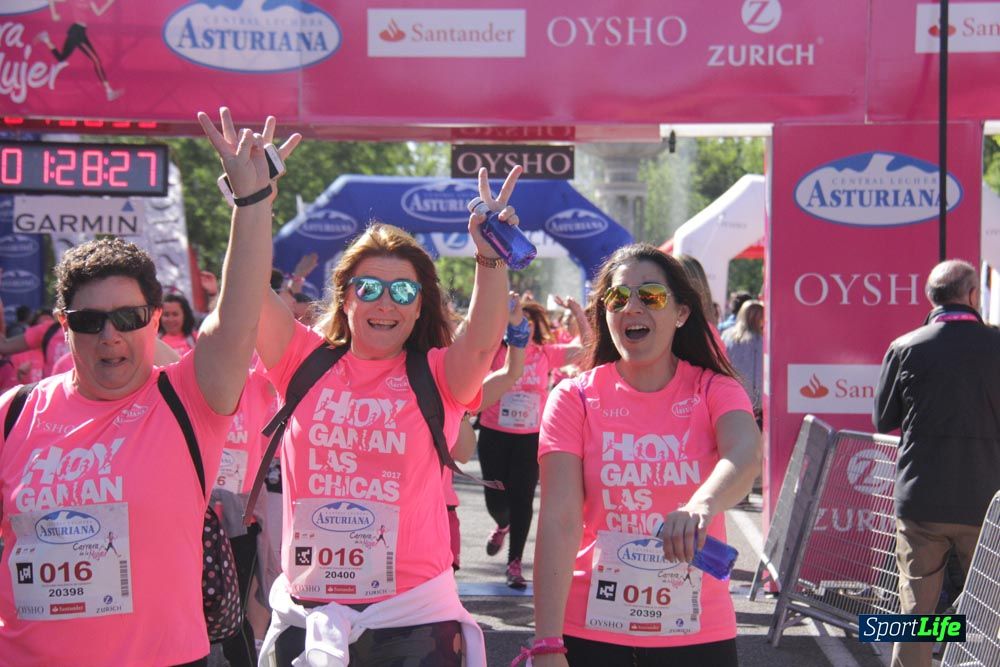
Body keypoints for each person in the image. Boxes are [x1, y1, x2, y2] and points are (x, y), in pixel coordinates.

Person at [0, 107, 300, 666]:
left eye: (128, 318)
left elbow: (236, 318)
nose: (109, 335)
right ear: (64, 327)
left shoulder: (186, 399)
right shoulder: (13, 414)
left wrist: (252, 203)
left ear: (156, 321)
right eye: (89, 322)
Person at [247, 163, 523, 666]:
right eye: (369, 288)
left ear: (420, 307)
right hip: (309, 621)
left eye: (403, 292)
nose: (385, 303)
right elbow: (247, 290)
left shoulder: (438, 376)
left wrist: (490, 254)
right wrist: (252, 204)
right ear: (345, 295)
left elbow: (483, 339)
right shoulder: (300, 359)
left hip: (411, 624)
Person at [532, 243, 760, 667]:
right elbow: (560, 521)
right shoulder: (573, 398)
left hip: (695, 632)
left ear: (681, 313)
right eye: (618, 298)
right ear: (605, 312)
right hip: (588, 629)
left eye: (651, 296)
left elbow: (744, 456)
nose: (632, 306)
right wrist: (546, 642)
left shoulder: (714, 390)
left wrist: (701, 505)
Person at [873, 259, 1000, 667]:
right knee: (992, 611)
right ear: (973, 295)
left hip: (922, 498)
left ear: (930, 297)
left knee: (916, 610)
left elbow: (883, 419)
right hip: (988, 500)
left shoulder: (905, 346)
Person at [478, 296, 588, 589]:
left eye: (525, 320)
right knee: (496, 501)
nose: (520, 325)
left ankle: (514, 562)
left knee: (523, 499)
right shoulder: (494, 352)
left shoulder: (545, 354)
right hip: (493, 435)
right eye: (513, 319)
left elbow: (587, 348)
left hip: (529, 439)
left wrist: (576, 311)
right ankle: (502, 523)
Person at [36, 0, 123, 100]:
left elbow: (98, 13)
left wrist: (109, 3)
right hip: (76, 31)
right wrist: (54, 14)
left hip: (80, 32)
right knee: (96, 60)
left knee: (61, 58)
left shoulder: (90, 2)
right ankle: (109, 91)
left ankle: (46, 39)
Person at [722, 300, 764, 426]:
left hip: (728, 398)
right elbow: (758, 374)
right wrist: (758, 403)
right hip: (750, 403)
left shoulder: (726, 335)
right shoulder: (759, 340)